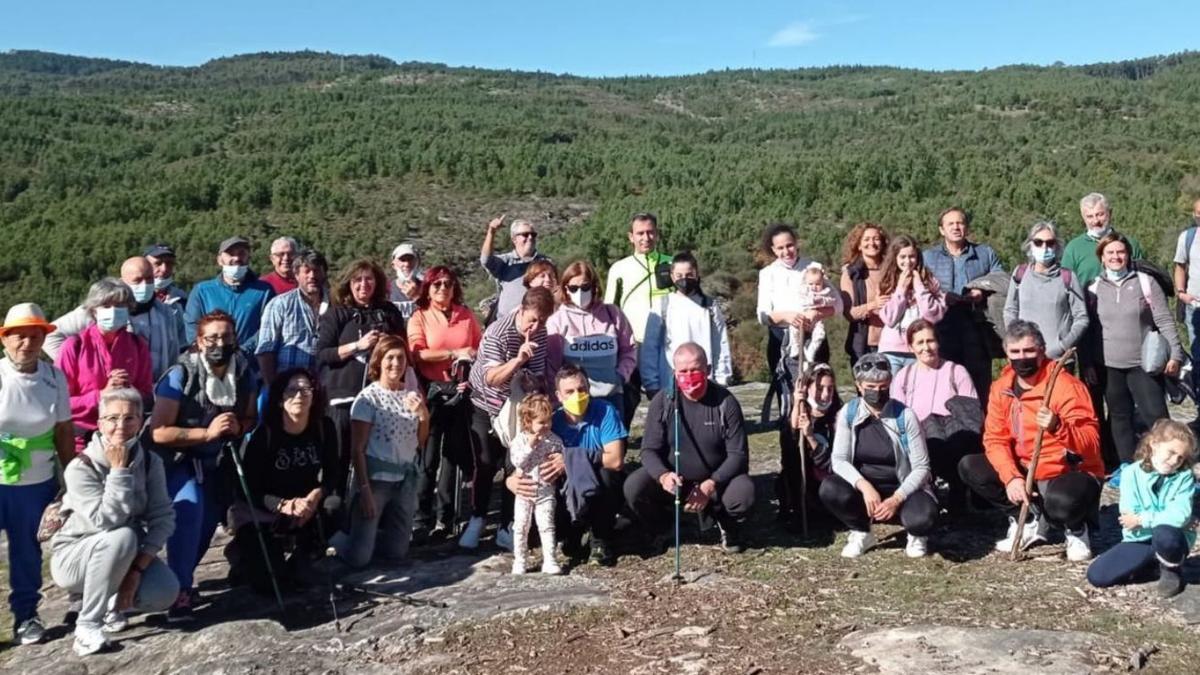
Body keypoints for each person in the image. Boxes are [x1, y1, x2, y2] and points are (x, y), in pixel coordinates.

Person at [958, 320, 1104, 561]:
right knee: (970, 467)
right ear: (1006, 353)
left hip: (1065, 470)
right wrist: (1011, 477)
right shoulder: (1001, 388)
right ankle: (1026, 518)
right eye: (1015, 352)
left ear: (1041, 351)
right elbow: (995, 438)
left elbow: (1092, 443)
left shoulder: (1065, 386)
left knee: (1061, 504)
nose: (1021, 358)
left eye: (1028, 351)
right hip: (1025, 469)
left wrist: (1059, 427)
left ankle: (1076, 529)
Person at [50, 388, 178, 656]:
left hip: (123, 555)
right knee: (122, 535)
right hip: (74, 558)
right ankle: (87, 626)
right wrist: (119, 472)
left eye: (129, 418)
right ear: (99, 423)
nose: (120, 426)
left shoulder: (149, 462)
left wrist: (136, 571)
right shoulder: (80, 467)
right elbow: (105, 522)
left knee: (165, 592)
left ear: (141, 422)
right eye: (111, 418)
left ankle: (111, 600)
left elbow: (163, 518)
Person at [147, 310, 257, 621]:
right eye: (212, 338)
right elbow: (159, 430)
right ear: (199, 341)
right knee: (190, 510)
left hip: (217, 460)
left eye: (226, 337)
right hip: (179, 459)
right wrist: (205, 433)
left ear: (235, 339)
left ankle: (178, 579)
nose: (220, 344)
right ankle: (179, 591)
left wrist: (239, 427)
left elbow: (249, 417)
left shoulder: (244, 371)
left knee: (208, 522)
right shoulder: (180, 375)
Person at [624, 343, 753, 553]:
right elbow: (648, 450)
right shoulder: (663, 401)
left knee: (744, 493)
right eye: (683, 371)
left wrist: (711, 483)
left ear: (708, 370)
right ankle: (663, 526)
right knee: (634, 487)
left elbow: (738, 455)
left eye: (695, 370)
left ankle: (728, 526)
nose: (689, 376)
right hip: (675, 480)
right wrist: (663, 476)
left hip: (716, 481)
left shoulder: (726, 402)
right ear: (674, 372)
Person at [0, 303, 76, 646]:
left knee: (27, 550)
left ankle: (26, 616)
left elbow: (63, 429)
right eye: (19, 336)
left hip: (36, 481)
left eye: (35, 336)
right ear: (5, 339)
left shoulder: (53, 376)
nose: (27, 343)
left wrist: (70, 476)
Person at [461, 288, 554, 550]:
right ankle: (477, 518)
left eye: (542, 322)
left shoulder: (542, 334)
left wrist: (530, 380)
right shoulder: (498, 333)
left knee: (516, 462)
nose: (535, 327)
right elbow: (492, 378)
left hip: (517, 405)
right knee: (486, 463)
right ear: (521, 310)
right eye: (532, 320)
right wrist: (518, 360)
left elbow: (536, 376)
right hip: (485, 403)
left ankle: (507, 525)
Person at [818, 353, 936, 558]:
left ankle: (916, 534)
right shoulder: (849, 412)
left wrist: (897, 498)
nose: (877, 392)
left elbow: (922, 467)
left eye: (883, 386)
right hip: (866, 486)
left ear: (890, 383)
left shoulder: (905, 416)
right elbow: (839, 459)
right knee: (830, 488)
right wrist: (863, 486)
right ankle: (861, 531)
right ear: (859, 385)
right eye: (870, 387)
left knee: (923, 518)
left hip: (902, 485)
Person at [1086, 232, 1183, 476]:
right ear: (1102, 257)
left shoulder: (1145, 282)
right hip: (1109, 365)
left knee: (1157, 417)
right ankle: (1127, 468)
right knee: (1119, 417)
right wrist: (1087, 363)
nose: (1116, 257)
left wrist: (1176, 354)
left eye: (1121, 252)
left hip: (1144, 363)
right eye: (1110, 253)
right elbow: (1089, 331)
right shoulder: (1094, 289)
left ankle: (1171, 465)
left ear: (1128, 254)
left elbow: (1163, 319)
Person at [232, 369, 338, 591]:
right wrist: (283, 505)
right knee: (270, 588)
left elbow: (332, 474)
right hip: (267, 510)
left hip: (304, 506)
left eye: (306, 389)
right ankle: (242, 553)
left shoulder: (324, 427)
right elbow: (248, 490)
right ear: (280, 399)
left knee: (334, 507)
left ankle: (302, 556)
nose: (299, 395)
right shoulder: (265, 436)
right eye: (292, 390)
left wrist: (314, 497)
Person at [331, 336, 431, 567]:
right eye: (390, 358)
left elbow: (420, 441)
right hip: (376, 480)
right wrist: (364, 490)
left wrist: (423, 415)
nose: (396, 364)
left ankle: (371, 535)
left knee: (396, 553)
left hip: (404, 478)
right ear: (379, 362)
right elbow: (358, 449)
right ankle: (337, 536)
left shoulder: (411, 394)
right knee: (358, 560)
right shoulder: (368, 399)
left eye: (401, 358)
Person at [316, 259, 408, 498]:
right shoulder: (337, 313)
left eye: (369, 279)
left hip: (383, 401)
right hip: (343, 401)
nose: (363, 284)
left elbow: (402, 348)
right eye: (357, 280)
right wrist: (358, 345)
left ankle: (370, 517)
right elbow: (323, 354)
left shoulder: (389, 312)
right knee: (338, 462)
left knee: (375, 462)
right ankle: (333, 522)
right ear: (349, 283)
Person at [407, 266, 481, 538]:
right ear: (427, 287)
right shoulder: (420, 317)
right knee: (427, 456)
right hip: (431, 393)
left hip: (460, 389)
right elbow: (417, 354)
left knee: (452, 455)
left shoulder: (466, 315)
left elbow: (478, 348)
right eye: (436, 284)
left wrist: (468, 362)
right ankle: (420, 518)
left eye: (448, 284)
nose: (442, 289)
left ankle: (445, 518)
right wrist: (454, 352)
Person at [1086, 419, 1195, 597]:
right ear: (1154, 444)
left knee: (1165, 533)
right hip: (1139, 538)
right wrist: (1170, 517)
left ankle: (1171, 568)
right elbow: (1129, 513)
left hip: (1170, 537)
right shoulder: (1131, 473)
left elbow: (1180, 515)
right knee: (1097, 576)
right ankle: (1150, 563)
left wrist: (1143, 520)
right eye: (1171, 452)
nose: (1174, 460)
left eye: (1180, 457)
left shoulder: (1184, 477)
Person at [44, 257, 185, 383]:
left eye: (149, 279)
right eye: (138, 280)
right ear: (123, 281)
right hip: (108, 395)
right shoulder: (99, 309)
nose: (145, 285)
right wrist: (79, 363)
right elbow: (50, 335)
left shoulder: (166, 312)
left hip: (154, 395)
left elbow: (174, 352)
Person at [890, 320, 980, 509]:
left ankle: (959, 495)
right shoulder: (903, 377)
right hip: (918, 440)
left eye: (930, 341)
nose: (926, 347)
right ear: (911, 347)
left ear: (938, 342)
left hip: (955, 440)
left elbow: (971, 412)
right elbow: (895, 417)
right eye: (920, 342)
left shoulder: (957, 371)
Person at [55, 278, 154, 451]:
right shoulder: (74, 346)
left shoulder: (138, 345)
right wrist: (101, 395)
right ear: (93, 311)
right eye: (106, 306)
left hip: (125, 439)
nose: (114, 311)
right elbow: (59, 401)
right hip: (81, 442)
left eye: (120, 306)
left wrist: (127, 390)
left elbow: (146, 395)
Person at [757, 223, 843, 420]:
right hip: (782, 342)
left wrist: (817, 314)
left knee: (820, 394)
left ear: (796, 244)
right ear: (773, 250)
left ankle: (820, 443)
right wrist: (787, 316)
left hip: (814, 339)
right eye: (780, 248)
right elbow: (762, 315)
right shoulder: (767, 274)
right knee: (789, 398)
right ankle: (791, 446)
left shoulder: (814, 268)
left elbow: (838, 305)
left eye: (789, 245)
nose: (786, 251)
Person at [922, 207, 1003, 405]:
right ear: (942, 230)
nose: (956, 227)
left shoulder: (985, 253)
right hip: (942, 328)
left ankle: (981, 432)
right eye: (951, 224)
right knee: (945, 383)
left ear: (966, 227)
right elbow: (919, 288)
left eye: (960, 223)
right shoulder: (928, 257)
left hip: (977, 326)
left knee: (979, 384)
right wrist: (942, 297)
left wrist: (980, 290)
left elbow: (1001, 278)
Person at [548, 364, 626, 566]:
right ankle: (569, 533)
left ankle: (600, 540)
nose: (577, 395)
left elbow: (616, 459)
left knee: (609, 475)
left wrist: (572, 459)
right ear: (559, 395)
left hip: (599, 488)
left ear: (589, 389)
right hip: (566, 490)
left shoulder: (605, 412)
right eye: (570, 391)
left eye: (581, 389)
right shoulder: (552, 422)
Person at [604, 213, 674, 430]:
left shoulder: (671, 263)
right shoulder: (620, 268)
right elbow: (609, 308)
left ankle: (670, 447)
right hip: (632, 345)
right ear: (630, 237)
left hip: (666, 344)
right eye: (640, 233)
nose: (646, 237)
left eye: (650, 232)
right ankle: (618, 449)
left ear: (657, 234)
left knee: (667, 398)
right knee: (628, 400)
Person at [546, 260, 637, 420]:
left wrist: (621, 376)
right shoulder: (557, 321)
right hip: (574, 401)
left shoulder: (613, 314)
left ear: (594, 286)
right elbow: (552, 366)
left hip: (612, 397)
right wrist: (559, 399)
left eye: (585, 287)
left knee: (614, 445)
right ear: (566, 289)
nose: (580, 293)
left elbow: (629, 349)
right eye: (574, 288)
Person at [641, 252, 733, 400]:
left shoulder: (710, 306)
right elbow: (650, 347)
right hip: (670, 384)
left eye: (689, 274)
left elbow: (720, 344)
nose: (684, 279)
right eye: (679, 275)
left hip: (705, 382)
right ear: (672, 276)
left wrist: (723, 379)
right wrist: (651, 384)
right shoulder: (662, 305)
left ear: (697, 274)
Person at [1002, 221, 1089, 360]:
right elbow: (1010, 310)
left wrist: (1062, 346)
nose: (1044, 247)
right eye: (1038, 242)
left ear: (1057, 246)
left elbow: (1081, 318)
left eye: (1050, 243)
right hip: (1026, 357)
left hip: (1059, 360)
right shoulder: (1020, 273)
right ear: (1030, 244)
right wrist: (1016, 341)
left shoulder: (1068, 277)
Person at [183, 236, 275, 358]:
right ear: (219, 260)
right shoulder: (202, 291)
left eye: (242, 253)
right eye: (230, 254)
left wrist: (242, 352)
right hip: (211, 363)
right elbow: (192, 327)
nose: (236, 258)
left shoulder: (264, 291)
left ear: (248, 258)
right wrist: (213, 352)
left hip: (250, 366)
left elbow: (268, 328)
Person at [779, 362, 841, 527]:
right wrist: (795, 407)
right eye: (820, 388)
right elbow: (788, 453)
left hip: (829, 480)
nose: (826, 394)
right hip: (804, 481)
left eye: (830, 388)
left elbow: (835, 463)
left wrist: (811, 438)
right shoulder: (800, 414)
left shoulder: (839, 417)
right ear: (807, 389)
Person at [507, 394, 564, 575]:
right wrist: (530, 446)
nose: (545, 426)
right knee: (521, 526)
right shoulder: (519, 441)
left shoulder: (554, 440)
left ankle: (550, 560)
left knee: (546, 525)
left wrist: (560, 459)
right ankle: (520, 560)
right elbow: (517, 463)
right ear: (528, 421)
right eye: (541, 422)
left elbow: (561, 457)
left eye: (548, 421)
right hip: (524, 491)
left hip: (546, 490)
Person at [256, 249, 330, 385]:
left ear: (324, 273)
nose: (312, 276)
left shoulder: (337, 305)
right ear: (296, 275)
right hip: (289, 386)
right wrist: (273, 388)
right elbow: (266, 351)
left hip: (327, 386)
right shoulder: (279, 305)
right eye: (306, 271)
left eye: (317, 271)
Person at [878, 235, 946, 374]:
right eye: (902, 257)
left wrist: (919, 286)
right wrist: (901, 289)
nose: (908, 261)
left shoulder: (930, 281)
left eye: (912, 256)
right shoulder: (886, 282)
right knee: (893, 393)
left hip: (920, 348)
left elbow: (933, 315)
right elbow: (889, 319)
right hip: (892, 350)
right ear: (895, 258)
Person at [1061, 192, 1146, 288]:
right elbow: (1066, 286)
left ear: (1110, 213)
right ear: (1083, 218)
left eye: (1100, 214)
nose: (1095, 221)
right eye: (1090, 216)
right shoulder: (1073, 248)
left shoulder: (1130, 244)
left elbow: (1143, 280)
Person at [481, 215, 550, 320]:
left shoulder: (546, 262)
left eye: (533, 234)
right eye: (525, 235)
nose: (530, 237)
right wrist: (492, 231)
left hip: (538, 322)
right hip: (507, 324)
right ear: (514, 239)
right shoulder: (506, 262)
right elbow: (486, 260)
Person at [841, 222, 890, 365]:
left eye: (876, 239)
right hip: (864, 345)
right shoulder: (851, 274)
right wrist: (873, 305)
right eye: (866, 239)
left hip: (893, 344)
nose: (872, 243)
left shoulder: (892, 270)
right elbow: (849, 313)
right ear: (859, 245)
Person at [1172, 199, 1200, 416]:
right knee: (1198, 356)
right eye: (1198, 214)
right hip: (1195, 306)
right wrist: (1181, 293)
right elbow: (1180, 265)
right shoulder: (1188, 237)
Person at [787, 262, 836, 363]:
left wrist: (823, 301)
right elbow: (799, 301)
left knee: (820, 334)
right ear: (806, 282)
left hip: (817, 319)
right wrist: (811, 301)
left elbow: (833, 301)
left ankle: (811, 350)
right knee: (793, 329)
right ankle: (795, 346)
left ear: (822, 283)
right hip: (803, 317)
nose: (814, 287)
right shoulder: (803, 291)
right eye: (811, 284)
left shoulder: (825, 291)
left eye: (817, 284)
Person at [145, 243, 188, 309]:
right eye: (158, 263)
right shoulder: (131, 299)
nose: (164, 269)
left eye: (169, 263)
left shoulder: (182, 298)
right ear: (145, 266)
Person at [389, 242, 424, 318]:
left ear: (417, 263)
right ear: (393, 265)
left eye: (410, 259)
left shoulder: (428, 288)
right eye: (402, 260)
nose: (407, 264)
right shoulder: (386, 290)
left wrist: (417, 297)